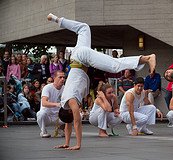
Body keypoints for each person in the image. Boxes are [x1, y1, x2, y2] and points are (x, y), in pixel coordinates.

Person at [47, 13, 156, 150]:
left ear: (69, 112)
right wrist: (67, 143)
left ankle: (146, 58)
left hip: (81, 59)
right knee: (84, 28)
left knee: (114, 65)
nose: (76, 113)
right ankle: (56, 18)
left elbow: (76, 122)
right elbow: (69, 123)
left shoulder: (71, 102)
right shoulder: (65, 102)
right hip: (76, 56)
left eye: (73, 113)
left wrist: (78, 144)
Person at [36, 70, 65, 138]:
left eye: (64, 77)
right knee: (40, 114)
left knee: (78, 115)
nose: (62, 79)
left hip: (59, 117)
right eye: (60, 77)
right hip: (48, 117)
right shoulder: (47, 87)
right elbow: (44, 103)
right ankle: (43, 131)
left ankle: (61, 129)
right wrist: (56, 104)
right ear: (54, 78)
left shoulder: (65, 88)